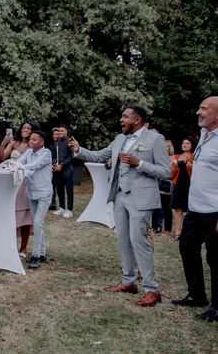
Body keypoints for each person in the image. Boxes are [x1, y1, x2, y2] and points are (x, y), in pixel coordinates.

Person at [69, 105, 170, 307]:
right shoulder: (119, 139)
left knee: (138, 240)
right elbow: (99, 156)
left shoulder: (154, 139)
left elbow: (165, 171)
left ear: (138, 120)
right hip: (120, 196)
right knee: (123, 238)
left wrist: (138, 163)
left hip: (141, 198)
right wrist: (78, 150)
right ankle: (129, 281)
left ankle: (152, 289)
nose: (121, 120)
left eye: (125, 116)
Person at [172, 96, 218, 322]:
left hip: (215, 211)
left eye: (203, 108)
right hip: (196, 209)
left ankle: (217, 307)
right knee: (187, 247)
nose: (198, 112)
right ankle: (197, 294)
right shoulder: (206, 137)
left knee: (215, 257)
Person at [0, 122, 36, 256]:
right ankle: (9, 244)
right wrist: (3, 143)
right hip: (12, 182)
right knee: (11, 214)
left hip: (25, 182)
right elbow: (1, 157)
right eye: (24, 127)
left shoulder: (33, 145)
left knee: (25, 215)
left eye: (29, 128)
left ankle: (23, 248)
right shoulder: (14, 143)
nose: (25, 130)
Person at [18, 130, 53, 269]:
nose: (31, 141)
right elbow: (19, 162)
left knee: (38, 223)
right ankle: (43, 253)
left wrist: (19, 167)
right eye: (30, 139)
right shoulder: (29, 153)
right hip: (32, 193)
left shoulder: (46, 153)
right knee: (38, 223)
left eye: (34, 139)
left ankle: (36, 256)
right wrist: (12, 165)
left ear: (42, 142)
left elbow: (35, 165)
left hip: (44, 193)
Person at [170, 137, 195, 239]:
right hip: (178, 184)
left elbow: (197, 169)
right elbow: (171, 174)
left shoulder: (194, 156)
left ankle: (189, 231)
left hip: (191, 184)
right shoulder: (176, 156)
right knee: (178, 209)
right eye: (183, 143)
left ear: (192, 145)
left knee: (190, 209)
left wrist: (185, 163)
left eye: (187, 143)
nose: (184, 145)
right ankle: (178, 232)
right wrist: (175, 166)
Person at [50, 124, 74, 218]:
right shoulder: (57, 142)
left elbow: (71, 156)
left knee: (69, 189)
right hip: (58, 169)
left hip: (67, 169)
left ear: (67, 131)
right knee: (59, 189)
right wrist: (55, 165)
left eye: (62, 130)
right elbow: (56, 156)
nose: (60, 132)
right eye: (59, 131)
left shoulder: (70, 141)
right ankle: (62, 207)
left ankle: (69, 210)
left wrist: (62, 164)